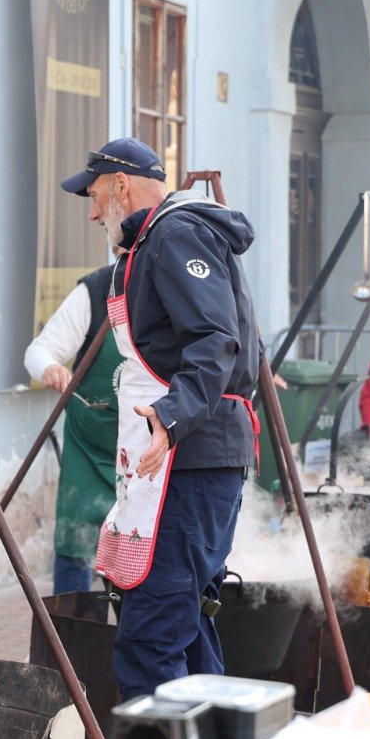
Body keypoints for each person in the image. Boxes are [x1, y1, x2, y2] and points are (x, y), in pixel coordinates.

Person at [61, 138, 261, 700]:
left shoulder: (175, 235)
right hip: (185, 458)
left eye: (97, 196)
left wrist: (170, 418)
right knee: (187, 624)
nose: (94, 211)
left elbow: (215, 340)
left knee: (151, 639)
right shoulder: (151, 243)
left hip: (190, 461)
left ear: (121, 185)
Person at [25, 259, 125, 595]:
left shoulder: (175, 290)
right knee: (75, 539)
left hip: (146, 453)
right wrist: (50, 366)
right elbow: (39, 350)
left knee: (137, 548)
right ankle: (73, 633)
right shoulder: (96, 291)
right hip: (89, 446)